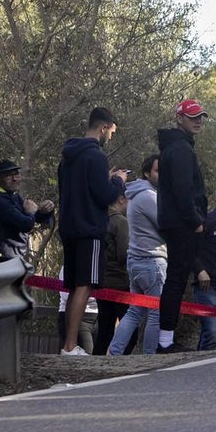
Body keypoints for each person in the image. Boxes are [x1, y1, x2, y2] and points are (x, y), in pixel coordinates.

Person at [57, 107, 127, 356]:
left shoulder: (68, 156)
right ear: (104, 127)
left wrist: (103, 178)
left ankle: (69, 343)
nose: (111, 137)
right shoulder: (96, 156)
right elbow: (105, 195)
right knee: (84, 286)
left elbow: (71, 189)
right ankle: (70, 346)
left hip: (69, 227)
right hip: (89, 228)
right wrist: (117, 180)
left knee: (75, 286)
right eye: (112, 131)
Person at [155, 99, 209, 353]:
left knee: (176, 279)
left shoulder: (175, 147)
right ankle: (165, 342)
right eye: (192, 117)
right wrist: (196, 220)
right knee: (176, 280)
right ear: (179, 118)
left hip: (174, 222)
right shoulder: (181, 150)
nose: (197, 121)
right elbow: (183, 190)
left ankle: (165, 339)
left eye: (200, 117)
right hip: (182, 224)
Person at [109, 154, 163, 355]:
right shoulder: (149, 196)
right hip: (151, 260)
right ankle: (149, 356)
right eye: (158, 171)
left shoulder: (135, 195)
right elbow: (166, 225)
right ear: (147, 173)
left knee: (135, 310)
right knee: (156, 312)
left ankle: (114, 353)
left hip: (136, 260)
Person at [0, 159, 54, 264]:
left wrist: (45, 210)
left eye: (16, 174)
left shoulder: (13, 196)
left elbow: (32, 218)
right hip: (0, 260)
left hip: (14, 258)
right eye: (8, 176)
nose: (14, 179)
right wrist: (30, 212)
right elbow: (25, 224)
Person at [93, 191, 130, 355]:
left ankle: (97, 360)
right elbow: (123, 253)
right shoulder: (120, 222)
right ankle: (123, 360)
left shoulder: (98, 220)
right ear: (121, 200)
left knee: (105, 328)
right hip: (120, 282)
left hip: (101, 281)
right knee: (129, 326)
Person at [193, 185, 216, 351]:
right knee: (211, 333)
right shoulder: (207, 221)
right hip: (207, 285)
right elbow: (190, 248)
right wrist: (199, 270)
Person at [57, 266, 96, 354]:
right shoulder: (68, 267)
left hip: (96, 316)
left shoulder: (95, 269)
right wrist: (84, 295)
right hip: (78, 316)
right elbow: (66, 296)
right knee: (88, 352)